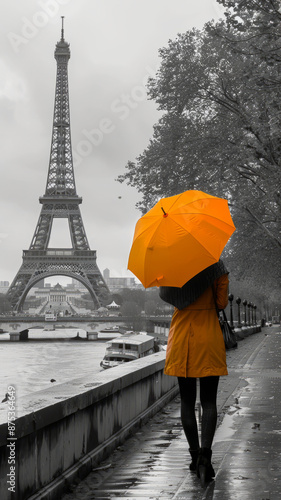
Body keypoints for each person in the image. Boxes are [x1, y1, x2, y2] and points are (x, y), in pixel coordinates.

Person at [159, 260, 229, 485]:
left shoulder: (171, 266)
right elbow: (221, 302)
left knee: (187, 402)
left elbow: (166, 295)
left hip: (182, 339)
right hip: (208, 335)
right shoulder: (217, 267)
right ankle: (205, 458)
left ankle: (193, 455)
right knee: (209, 402)